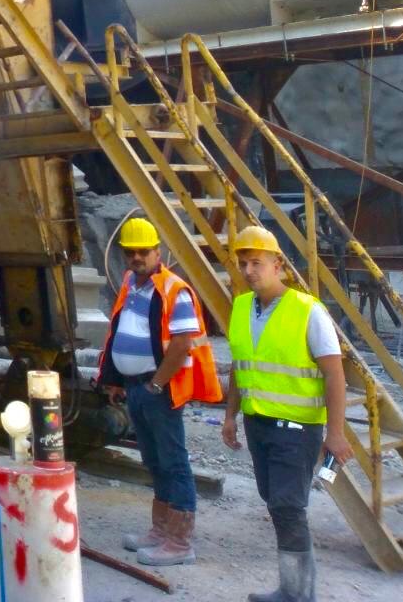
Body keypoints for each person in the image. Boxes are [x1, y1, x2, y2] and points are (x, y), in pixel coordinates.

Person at [221, 225, 350, 602]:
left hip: (297, 430)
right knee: (274, 501)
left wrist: (336, 433)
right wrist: (231, 416)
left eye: (257, 262)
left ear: (278, 264)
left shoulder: (308, 311)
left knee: (287, 506)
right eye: (243, 263)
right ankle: (292, 589)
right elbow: (240, 366)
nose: (248, 270)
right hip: (258, 423)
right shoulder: (242, 307)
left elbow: (334, 373)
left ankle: (298, 594)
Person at [96, 216, 222, 566]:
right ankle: (161, 530)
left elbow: (181, 345)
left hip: (159, 390)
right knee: (154, 460)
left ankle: (179, 543)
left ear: (158, 252)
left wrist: (155, 385)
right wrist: (115, 380)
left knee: (173, 461)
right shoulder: (130, 284)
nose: (137, 257)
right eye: (130, 252)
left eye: (143, 251)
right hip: (137, 388)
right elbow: (118, 329)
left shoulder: (174, 290)